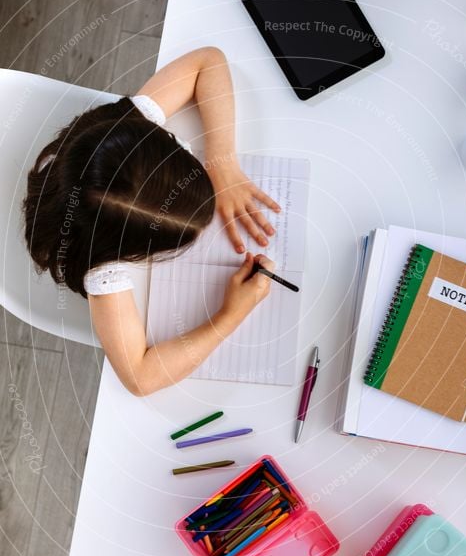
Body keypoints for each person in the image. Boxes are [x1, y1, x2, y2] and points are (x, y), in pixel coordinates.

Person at [23, 47, 279, 395]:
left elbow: (209, 61)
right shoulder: (98, 265)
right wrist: (230, 315)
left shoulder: (130, 137)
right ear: (128, 249)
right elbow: (140, 378)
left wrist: (223, 165)